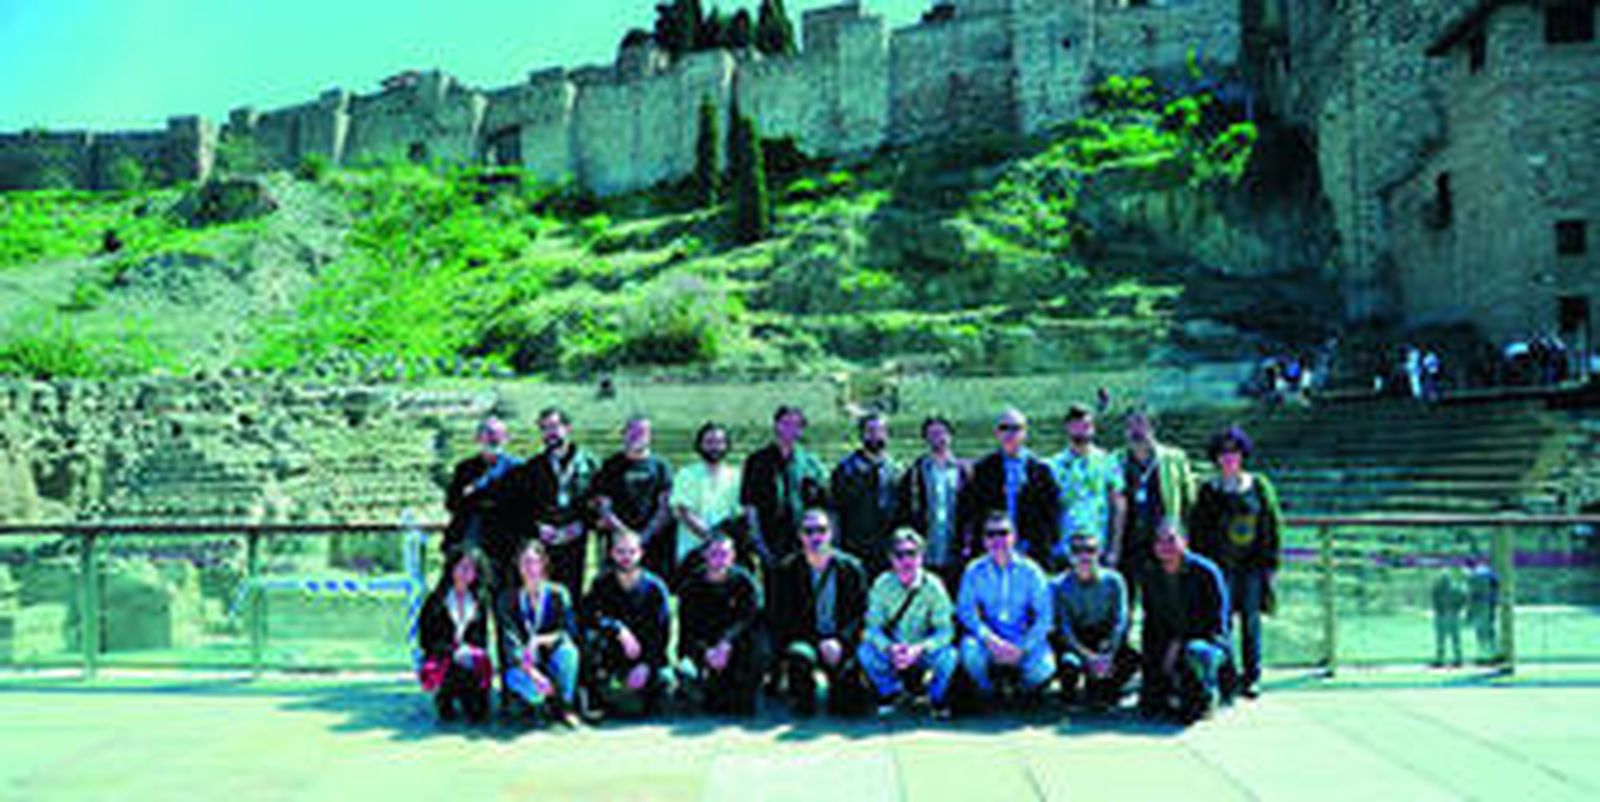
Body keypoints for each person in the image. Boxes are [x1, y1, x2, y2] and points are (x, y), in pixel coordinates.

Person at [1188, 425, 1282, 700]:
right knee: (1221, 622)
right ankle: (1226, 676)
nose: (1229, 458)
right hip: (1219, 568)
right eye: (1224, 453)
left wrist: (1271, 565)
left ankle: (1252, 676)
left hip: (1252, 566)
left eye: (1235, 452)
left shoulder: (1259, 485)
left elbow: (1271, 526)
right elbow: (1198, 532)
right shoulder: (1208, 490)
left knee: (1251, 622)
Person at [770, 508, 870, 715]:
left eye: (821, 530)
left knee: (848, 707)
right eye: (809, 531)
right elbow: (782, 618)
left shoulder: (851, 569)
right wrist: (818, 641)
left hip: (841, 641)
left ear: (831, 533)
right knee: (800, 657)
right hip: (806, 639)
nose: (816, 537)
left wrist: (840, 640)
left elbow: (861, 613)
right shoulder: (787, 570)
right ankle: (803, 697)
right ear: (800, 536)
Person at [957, 511, 1056, 706]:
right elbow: (966, 611)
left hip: (1021, 638)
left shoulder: (1032, 571)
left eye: (1003, 533)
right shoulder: (974, 570)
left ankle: (1020, 690)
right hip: (990, 639)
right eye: (990, 534)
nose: (997, 540)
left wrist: (1023, 647)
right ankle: (988, 691)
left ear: (1014, 536)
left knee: (1045, 667)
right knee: (969, 652)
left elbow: (1045, 616)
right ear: (984, 540)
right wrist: (989, 639)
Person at [858, 529, 958, 718]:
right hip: (893, 649)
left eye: (912, 553)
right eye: (899, 555)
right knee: (865, 652)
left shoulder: (934, 586)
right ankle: (890, 692)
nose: (906, 560)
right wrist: (889, 647)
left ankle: (936, 698)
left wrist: (920, 648)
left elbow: (946, 630)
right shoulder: (882, 584)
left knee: (949, 656)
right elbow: (872, 628)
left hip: (922, 649)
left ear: (921, 556)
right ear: (891, 558)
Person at [1139, 519, 1230, 724]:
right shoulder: (1150, 574)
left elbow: (1215, 622)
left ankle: (1210, 691)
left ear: (1185, 541)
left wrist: (1179, 642)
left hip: (1205, 642)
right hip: (1169, 642)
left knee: (1195, 655)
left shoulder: (1206, 572)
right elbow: (1151, 620)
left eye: (1171, 540)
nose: (1165, 546)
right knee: (1151, 707)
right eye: (1159, 541)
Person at [580, 529, 673, 719]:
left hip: (647, 659)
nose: (626, 557)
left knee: (666, 683)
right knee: (588, 642)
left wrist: (646, 664)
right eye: (620, 551)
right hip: (613, 657)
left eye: (632, 551)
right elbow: (588, 617)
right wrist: (618, 629)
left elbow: (663, 634)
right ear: (612, 553)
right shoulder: (601, 583)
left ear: (641, 553)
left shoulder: (655, 588)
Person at [1115, 407, 1195, 612]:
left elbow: (1189, 501)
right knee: (1125, 599)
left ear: (1152, 426)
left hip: (1162, 541)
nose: (1136, 431)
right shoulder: (1117, 460)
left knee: (1162, 601)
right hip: (1129, 542)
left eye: (1141, 424)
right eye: (1130, 426)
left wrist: (1184, 537)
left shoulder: (1174, 458)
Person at [677, 533, 764, 715]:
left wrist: (726, 643)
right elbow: (688, 629)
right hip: (705, 646)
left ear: (733, 556)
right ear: (704, 555)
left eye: (724, 554)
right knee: (709, 698)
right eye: (714, 554)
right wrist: (706, 651)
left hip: (735, 645)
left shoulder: (745, 583)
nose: (719, 559)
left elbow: (749, 619)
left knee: (741, 704)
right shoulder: (691, 586)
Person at [498, 541, 582, 727]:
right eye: (525, 562)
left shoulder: (559, 593)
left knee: (569, 653)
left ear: (543, 564)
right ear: (518, 566)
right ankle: (536, 703)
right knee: (534, 693)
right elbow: (509, 641)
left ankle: (565, 707)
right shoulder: (507, 599)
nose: (530, 568)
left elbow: (568, 631)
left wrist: (539, 640)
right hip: (523, 664)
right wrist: (533, 673)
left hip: (551, 656)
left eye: (534, 562)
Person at [959, 408, 1060, 562]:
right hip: (992, 552)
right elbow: (972, 511)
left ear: (1025, 433)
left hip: (1031, 553)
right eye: (1004, 428)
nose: (1010, 434)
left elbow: (1051, 514)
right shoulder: (983, 470)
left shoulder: (1040, 471)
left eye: (1016, 428)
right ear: (996, 433)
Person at [1052, 534, 1139, 710]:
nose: (1084, 556)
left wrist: (1109, 653)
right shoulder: (1058, 586)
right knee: (1069, 664)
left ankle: (1107, 691)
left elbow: (1121, 620)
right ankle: (1071, 695)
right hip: (1076, 641)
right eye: (1077, 551)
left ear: (1099, 553)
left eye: (1090, 550)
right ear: (1070, 556)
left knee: (1132, 659)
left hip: (1105, 639)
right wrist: (1088, 657)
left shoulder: (1115, 581)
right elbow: (1064, 628)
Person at [522, 407, 600, 596]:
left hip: (575, 537)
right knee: (544, 591)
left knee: (573, 590)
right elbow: (524, 505)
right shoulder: (533, 466)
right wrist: (539, 528)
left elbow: (597, 501)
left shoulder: (590, 463)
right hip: (545, 539)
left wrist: (582, 525)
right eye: (544, 428)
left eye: (554, 426)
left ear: (568, 428)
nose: (549, 433)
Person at [741, 405, 829, 571]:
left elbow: (823, 505)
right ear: (776, 425)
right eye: (786, 423)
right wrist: (759, 544)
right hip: (770, 541)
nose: (790, 429)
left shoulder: (811, 463)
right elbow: (750, 507)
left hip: (803, 542)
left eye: (796, 424)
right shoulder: (757, 461)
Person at [591, 415, 675, 580]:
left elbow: (664, 507)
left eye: (642, 431)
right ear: (624, 434)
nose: (636, 435)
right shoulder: (610, 466)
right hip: (618, 543)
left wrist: (644, 536)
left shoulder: (661, 467)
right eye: (632, 431)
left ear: (650, 436)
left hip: (653, 541)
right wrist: (625, 536)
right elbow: (604, 506)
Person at [896, 415, 972, 595]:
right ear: (926, 439)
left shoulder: (965, 471)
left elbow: (972, 509)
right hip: (926, 549)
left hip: (956, 548)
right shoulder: (915, 472)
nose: (939, 439)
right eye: (933, 434)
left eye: (942, 433)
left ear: (950, 436)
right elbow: (905, 510)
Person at [417, 547, 494, 724]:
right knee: (447, 718)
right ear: (451, 568)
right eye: (462, 566)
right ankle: (443, 696)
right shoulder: (435, 600)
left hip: (469, 663)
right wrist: (452, 651)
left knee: (479, 715)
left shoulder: (480, 600)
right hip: (443, 662)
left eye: (471, 568)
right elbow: (425, 640)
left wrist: (470, 651)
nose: (466, 572)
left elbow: (482, 639)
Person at [442, 418, 523, 582]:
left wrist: (477, 492)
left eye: (498, 434)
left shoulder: (518, 468)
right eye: (489, 434)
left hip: (505, 542)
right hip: (471, 539)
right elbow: (451, 504)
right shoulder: (464, 469)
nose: (494, 439)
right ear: (478, 438)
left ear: (506, 438)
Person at [1048, 403, 1126, 572]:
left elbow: (1118, 506)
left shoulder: (1108, 461)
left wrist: (1114, 548)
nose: (1082, 433)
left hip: (1099, 546)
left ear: (1093, 428)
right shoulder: (1053, 466)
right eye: (1076, 427)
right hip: (1065, 548)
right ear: (1067, 428)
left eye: (1086, 426)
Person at [670, 421, 745, 583]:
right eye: (709, 442)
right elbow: (683, 511)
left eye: (719, 442)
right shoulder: (686, 474)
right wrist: (711, 538)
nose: (714, 447)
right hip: (692, 551)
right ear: (700, 445)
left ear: (727, 445)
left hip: (725, 556)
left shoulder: (736, 476)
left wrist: (721, 545)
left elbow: (738, 514)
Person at [830, 412, 902, 574]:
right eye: (870, 431)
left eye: (880, 430)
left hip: (886, 548)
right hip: (854, 547)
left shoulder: (896, 470)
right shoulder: (845, 470)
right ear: (861, 435)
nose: (876, 435)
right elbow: (835, 510)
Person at [1431, 564, 1466, 668]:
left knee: (1449, 638)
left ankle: (1452, 659)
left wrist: (1456, 610)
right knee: (1446, 639)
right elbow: (1462, 599)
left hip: (1447, 615)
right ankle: (1450, 658)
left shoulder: (1449, 588)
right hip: (1447, 615)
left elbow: (1462, 599)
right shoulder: (1452, 588)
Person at [1467, 556, 1499, 662]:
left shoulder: (1474, 575)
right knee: (1489, 630)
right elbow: (1496, 586)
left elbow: (1471, 593)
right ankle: (1493, 652)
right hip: (1489, 604)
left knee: (1481, 631)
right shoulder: (1490, 572)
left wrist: (1470, 610)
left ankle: (1484, 654)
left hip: (1480, 605)